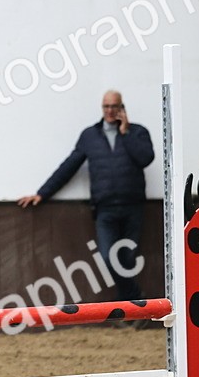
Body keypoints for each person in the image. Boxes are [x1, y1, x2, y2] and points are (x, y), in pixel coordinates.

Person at [18, 90, 154, 308]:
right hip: (105, 209)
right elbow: (69, 166)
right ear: (102, 108)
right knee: (109, 259)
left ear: (122, 108)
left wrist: (126, 132)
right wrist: (42, 193)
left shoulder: (137, 132)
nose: (110, 111)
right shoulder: (89, 136)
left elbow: (145, 158)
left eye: (114, 106)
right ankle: (135, 298)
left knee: (127, 260)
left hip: (133, 207)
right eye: (106, 106)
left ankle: (129, 307)